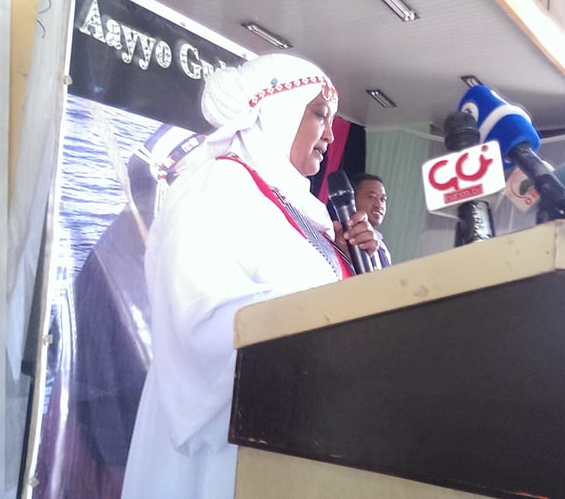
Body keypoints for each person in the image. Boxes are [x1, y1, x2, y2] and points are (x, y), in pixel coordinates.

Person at [120, 53, 378, 499]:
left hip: (286, 428)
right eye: (320, 114)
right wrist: (324, 318)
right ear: (276, 112)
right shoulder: (217, 185)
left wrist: (353, 261)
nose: (331, 135)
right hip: (225, 443)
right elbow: (200, 319)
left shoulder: (300, 209)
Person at [351, 172, 391, 268]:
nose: (379, 204)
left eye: (383, 199)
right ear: (352, 199)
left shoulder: (382, 248)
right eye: (371, 197)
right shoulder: (339, 238)